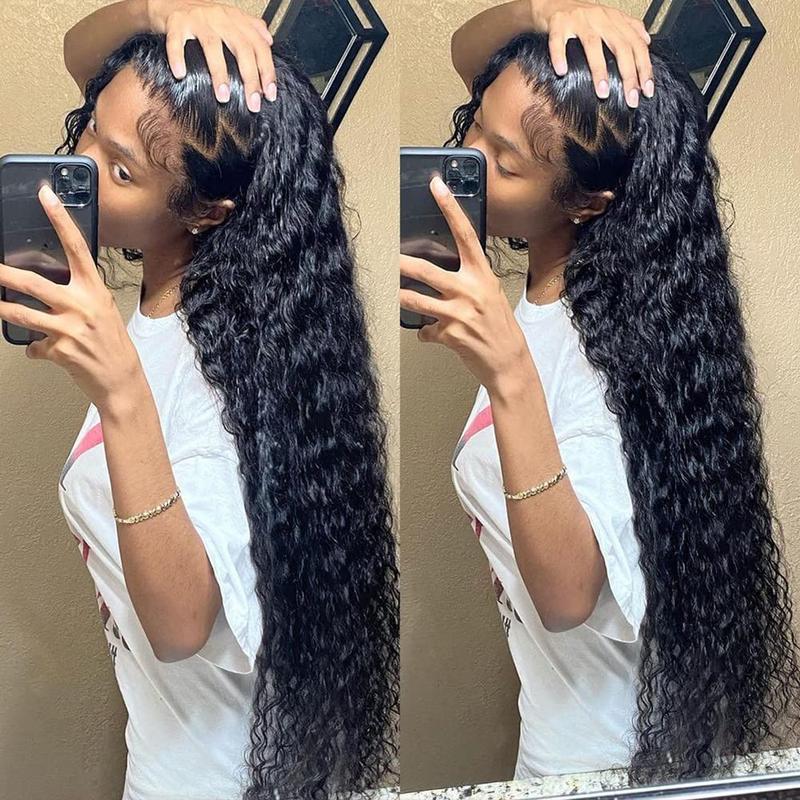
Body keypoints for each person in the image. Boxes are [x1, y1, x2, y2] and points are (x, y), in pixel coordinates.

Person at [0, 2, 399, 798]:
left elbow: (182, 627)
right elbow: (87, 55)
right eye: (89, 132)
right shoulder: (175, 313)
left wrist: (120, 391)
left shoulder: (230, 377)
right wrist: (161, 11)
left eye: (120, 171)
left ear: (205, 211)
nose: (77, 171)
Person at [400, 0, 800, 786]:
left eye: (503, 162)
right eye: (474, 125)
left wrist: (508, 373)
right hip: (560, 745)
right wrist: (546, 13)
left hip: (609, 771)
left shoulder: (608, 361)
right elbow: (469, 50)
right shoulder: (565, 300)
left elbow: (568, 598)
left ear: (586, 201)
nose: (464, 162)